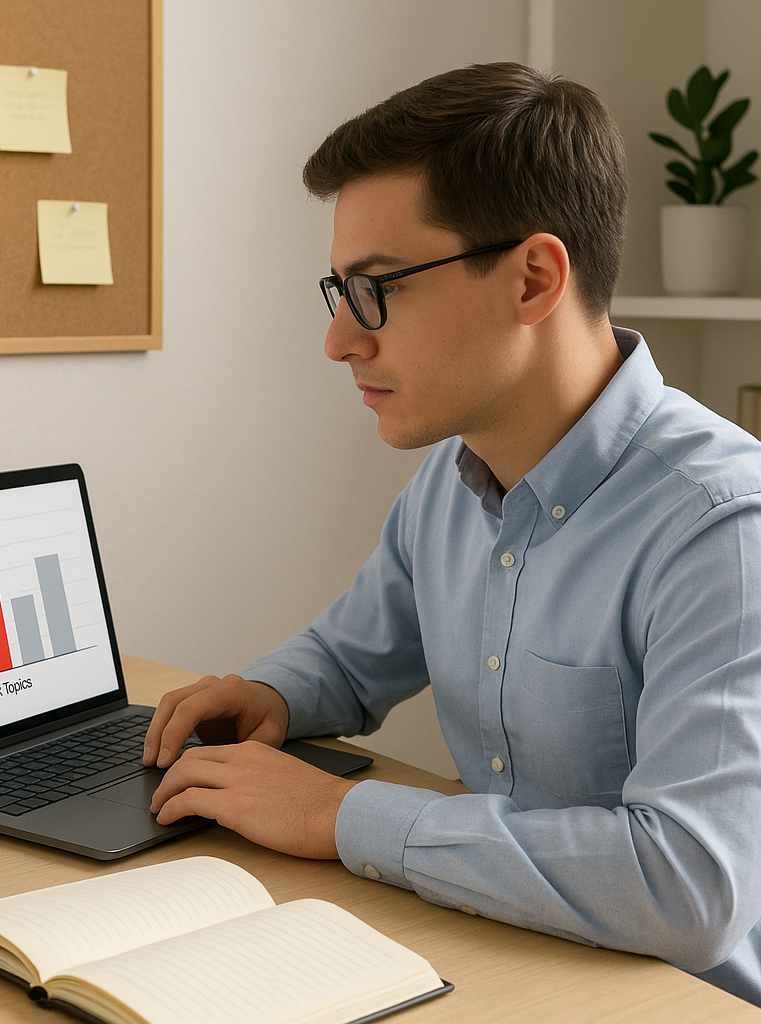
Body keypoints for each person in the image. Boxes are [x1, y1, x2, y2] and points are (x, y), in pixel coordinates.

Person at [142, 62, 761, 1005]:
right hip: (502, 963)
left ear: (534, 279)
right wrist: (271, 691)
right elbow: (354, 660)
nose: (341, 339)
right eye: (337, 290)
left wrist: (344, 815)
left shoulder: (724, 530)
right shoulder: (454, 476)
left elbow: (689, 884)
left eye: (378, 287)